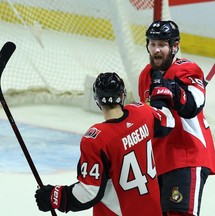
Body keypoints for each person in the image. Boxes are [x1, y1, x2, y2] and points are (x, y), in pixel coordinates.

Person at [34, 72, 175, 216]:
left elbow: (89, 192)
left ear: (97, 100)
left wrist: (54, 196)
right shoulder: (143, 113)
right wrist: (158, 94)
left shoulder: (96, 139)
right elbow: (167, 120)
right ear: (123, 94)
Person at [138, 20, 215, 216]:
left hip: (187, 155)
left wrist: (174, 91)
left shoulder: (188, 69)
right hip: (160, 160)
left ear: (174, 46)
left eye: (162, 45)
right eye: (153, 44)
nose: (156, 50)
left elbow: (194, 105)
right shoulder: (144, 76)